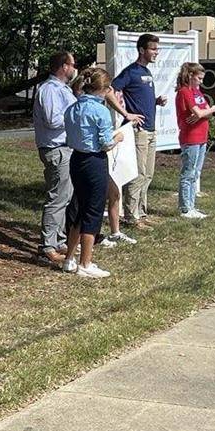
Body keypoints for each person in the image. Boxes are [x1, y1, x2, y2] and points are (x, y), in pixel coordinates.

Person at [61, 68, 125, 279]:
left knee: (79, 207)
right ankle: (85, 262)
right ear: (104, 89)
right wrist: (118, 138)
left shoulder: (72, 108)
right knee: (93, 211)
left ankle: (69, 258)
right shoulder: (100, 111)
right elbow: (106, 143)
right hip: (94, 161)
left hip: (76, 159)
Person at [106, 33, 165, 227]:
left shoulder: (146, 72)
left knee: (148, 174)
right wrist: (126, 113)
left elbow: (139, 97)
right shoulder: (131, 71)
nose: (157, 52)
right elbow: (109, 91)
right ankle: (131, 217)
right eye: (153, 49)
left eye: (157, 49)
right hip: (138, 131)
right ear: (142, 50)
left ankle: (141, 212)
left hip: (151, 130)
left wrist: (155, 102)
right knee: (138, 173)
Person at [33, 51, 77, 264]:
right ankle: (47, 245)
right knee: (57, 197)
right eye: (72, 64)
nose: (74, 69)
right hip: (56, 148)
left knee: (65, 195)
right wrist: (75, 115)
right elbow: (52, 120)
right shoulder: (49, 90)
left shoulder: (63, 89)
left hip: (66, 147)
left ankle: (59, 239)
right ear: (63, 66)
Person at [175, 62, 215, 219]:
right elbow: (200, 112)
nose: (201, 81)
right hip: (190, 137)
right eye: (199, 78)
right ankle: (185, 208)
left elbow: (203, 113)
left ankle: (192, 206)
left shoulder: (197, 93)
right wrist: (212, 109)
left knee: (195, 173)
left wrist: (205, 112)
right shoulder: (184, 92)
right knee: (188, 172)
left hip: (201, 137)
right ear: (190, 76)